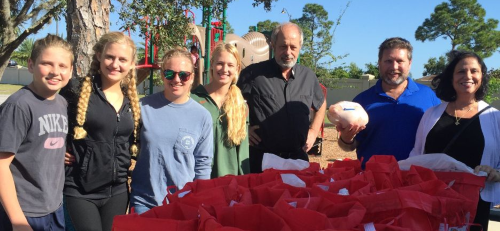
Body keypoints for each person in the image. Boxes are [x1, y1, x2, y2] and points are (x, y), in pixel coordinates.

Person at [409, 50, 500, 231]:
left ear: (481, 76)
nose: (468, 76)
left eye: (474, 71)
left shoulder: (495, 118)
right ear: (451, 77)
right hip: (431, 201)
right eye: (461, 71)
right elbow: (417, 155)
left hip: (473, 206)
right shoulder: (431, 114)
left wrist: (496, 173)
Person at [58, 32, 140, 231]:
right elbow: (51, 123)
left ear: (130, 64)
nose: (115, 64)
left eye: (122, 59)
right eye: (110, 57)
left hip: (118, 191)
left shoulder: (132, 99)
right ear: (98, 56)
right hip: (80, 190)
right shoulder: (75, 90)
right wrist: (56, 151)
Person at [0, 34, 73, 231]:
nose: (55, 72)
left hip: (54, 206)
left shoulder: (61, 103)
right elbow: (1, 166)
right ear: (31, 65)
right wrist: (17, 220)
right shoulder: (19, 105)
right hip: (24, 212)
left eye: (62, 66)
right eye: (47, 64)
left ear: (71, 70)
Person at [130, 48, 213, 214]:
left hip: (182, 203)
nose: (176, 79)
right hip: (144, 201)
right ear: (162, 75)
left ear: (192, 77)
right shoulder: (143, 107)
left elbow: (202, 163)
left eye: (183, 75)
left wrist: (199, 200)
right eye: (170, 74)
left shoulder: (202, 116)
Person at [337, 37, 441, 167]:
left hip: (417, 178)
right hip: (375, 178)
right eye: (388, 61)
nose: (394, 67)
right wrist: (346, 139)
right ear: (379, 63)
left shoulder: (428, 96)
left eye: (400, 61)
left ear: (410, 63)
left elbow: (441, 136)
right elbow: (349, 146)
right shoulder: (362, 101)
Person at [237, 22, 326, 173]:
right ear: (273, 45)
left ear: (300, 47)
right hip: (262, 162)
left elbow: (321, 103)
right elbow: (232, 101)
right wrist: (243, 128)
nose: (288, 52)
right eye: (283, 46)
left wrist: (313, 130)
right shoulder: (253, 74)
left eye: (293, 47)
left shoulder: (308, 76)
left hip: (298, 160)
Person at [191, 43, 250, 178]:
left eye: (230, 65)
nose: (224, 69)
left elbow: (243, 152)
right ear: (211, 64)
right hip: (198, 179)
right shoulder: (193, 100)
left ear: (237, 69)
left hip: (229, 183)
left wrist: (243, 182)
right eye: (220, 63)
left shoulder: (241, 105)